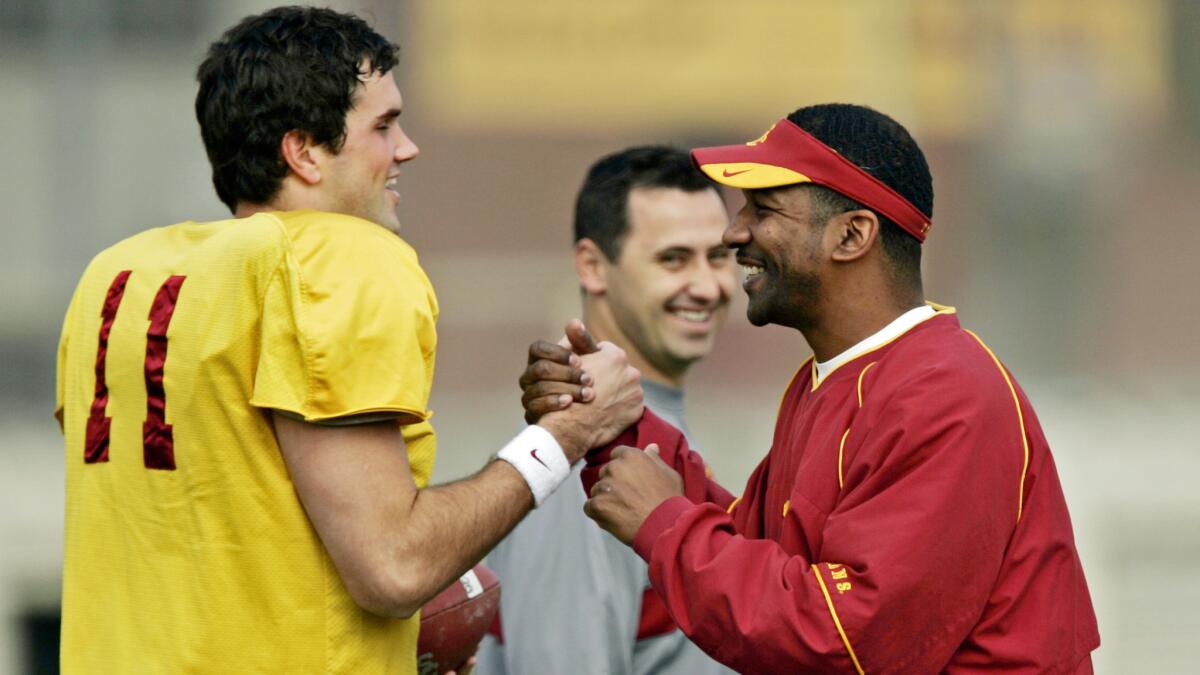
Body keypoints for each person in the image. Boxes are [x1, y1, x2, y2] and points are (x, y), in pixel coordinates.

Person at [53, 7, 642, 674]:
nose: (407, 148)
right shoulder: (335, 258)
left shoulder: (119, 274)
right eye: (384, 126)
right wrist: (562, 438)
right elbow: (393, 564)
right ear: (303, 150)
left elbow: (220, 519)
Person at [522, 104, 1100, 673]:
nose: (734, 232)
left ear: (851, 235)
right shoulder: (833, 377)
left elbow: (848, 641)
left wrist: (665, 524)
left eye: (764, 209)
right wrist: (609, 421)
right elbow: (752, 548)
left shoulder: (947, 393)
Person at [478, 146, 737, 675]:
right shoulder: (579, 455)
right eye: (673, 258)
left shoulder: (645, 430)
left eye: (718, 256)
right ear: (593, 266)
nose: (709, 286)